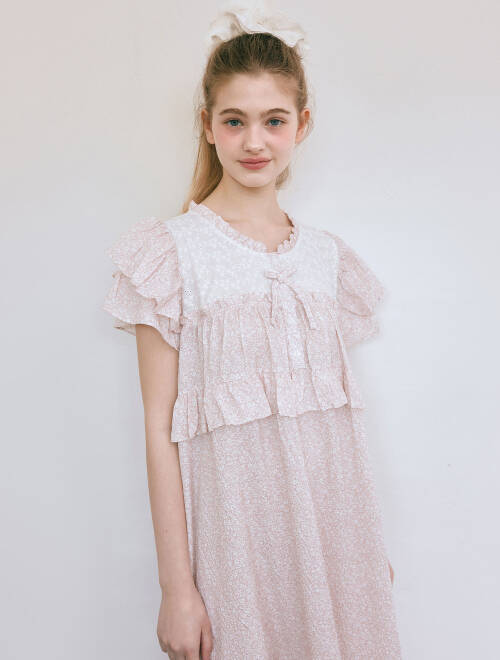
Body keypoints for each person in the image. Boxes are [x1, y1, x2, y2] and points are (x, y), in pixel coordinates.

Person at [102, 4, 402, 659]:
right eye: (235, 121)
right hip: (236, 550)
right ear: (207, 126)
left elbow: (333, 425)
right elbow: (158, 428)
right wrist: (176, 588)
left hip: (339, 547)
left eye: (274, 120)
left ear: (302, 125)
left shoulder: (326, 258)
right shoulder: (171, 254)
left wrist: (364, 548)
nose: (254, 142)